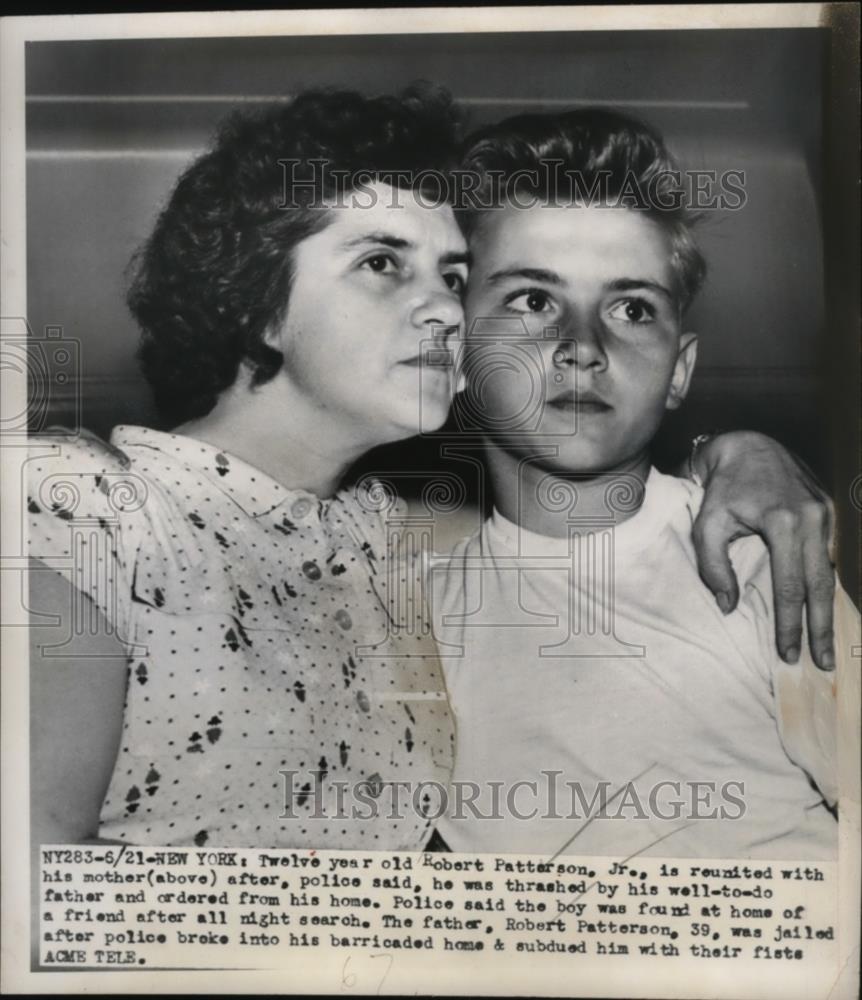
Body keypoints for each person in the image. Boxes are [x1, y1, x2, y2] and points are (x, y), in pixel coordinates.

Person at [28, 86, 837, 854]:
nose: (445, 310)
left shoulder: (384, 546)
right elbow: (27, 891)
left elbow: (570, 519)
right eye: (383, 262)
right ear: (256, 302)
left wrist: (736, 452)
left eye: (453, 278)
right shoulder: (88, 509)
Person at [432, 108, 858, 859]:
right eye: (533, 300)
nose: (583, 347)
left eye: (631, 309)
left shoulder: (756, 558)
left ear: (679, 370)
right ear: (457, 347)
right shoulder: (413, 616)